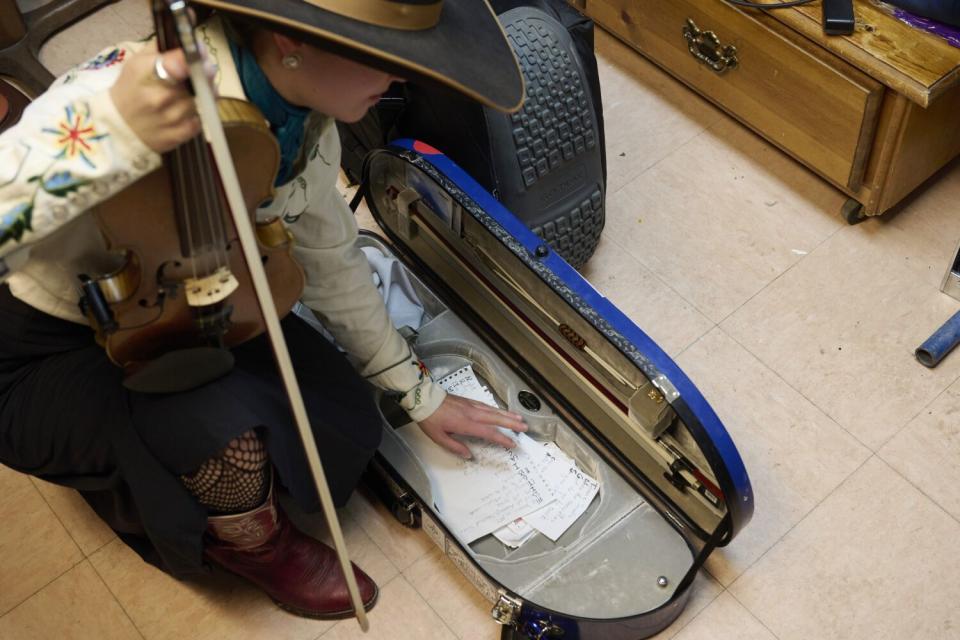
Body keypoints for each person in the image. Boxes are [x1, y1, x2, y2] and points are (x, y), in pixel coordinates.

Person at [0, 0, 526, 620]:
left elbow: (330, 256)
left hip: (183, 301)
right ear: (288, 39)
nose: (400, 79)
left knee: (344, 419)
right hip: (48, 339)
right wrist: (114, 131)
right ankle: (255, 548)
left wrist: (414, 392)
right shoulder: (119, 88)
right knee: (213, 428)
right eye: (383, 58)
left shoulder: (303, 119)